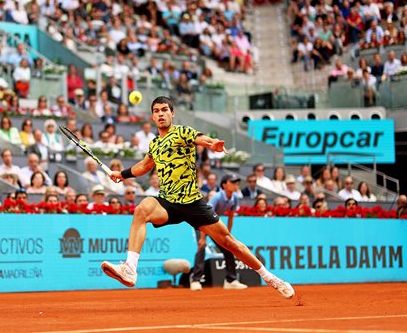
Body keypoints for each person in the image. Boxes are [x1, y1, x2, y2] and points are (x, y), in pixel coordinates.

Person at [101, 96, 294, 299]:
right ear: (152, 116)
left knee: (230, 243)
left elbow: (202, 139)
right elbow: (144, 166)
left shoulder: (182, 132)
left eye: (164, 110)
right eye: (156, 111)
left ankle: (272, 278)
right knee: (142, 208)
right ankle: (130, 268)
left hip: (192, 202)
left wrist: (213, 145)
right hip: (167, 202)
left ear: (172, 113)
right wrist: (121, 175)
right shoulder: (155, 144)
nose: (160, 114)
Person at [191, 174, 247, 291]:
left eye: (236, 182)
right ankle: (196, 280)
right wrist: (202, 238)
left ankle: (230, 280)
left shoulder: (235, 198)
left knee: (229, 247)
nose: (236, 184)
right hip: (201, 223)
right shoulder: (217, 197)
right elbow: (204, 216)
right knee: (202, 247)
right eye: (232, 182)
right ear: (224, 185)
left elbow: (231, 217)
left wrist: (228, 236)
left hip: (213, 225)